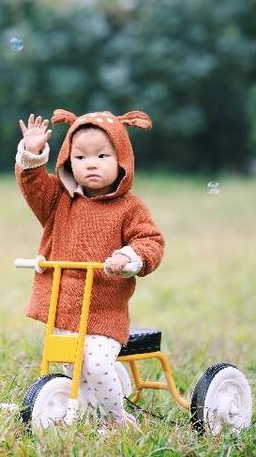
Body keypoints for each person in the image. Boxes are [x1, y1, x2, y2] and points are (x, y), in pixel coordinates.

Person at [15, 108, 165, 431]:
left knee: (95, 366)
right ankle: (77, 409)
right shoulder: (60, 199)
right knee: (74, 371)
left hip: (103, 314)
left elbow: (150, 241)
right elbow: (33, 185)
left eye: (102, 155)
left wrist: (128, 258)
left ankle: (118, 420)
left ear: (121, 159)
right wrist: (32, 151)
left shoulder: (130, 207)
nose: (91, 163)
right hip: (65, 309)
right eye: (81, 157)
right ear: (69, 161)